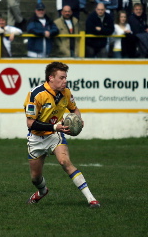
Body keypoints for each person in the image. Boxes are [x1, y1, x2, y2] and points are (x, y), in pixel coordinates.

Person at [23, 61, 100, 208]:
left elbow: (74, 109)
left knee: (65, 162)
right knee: (35, 178)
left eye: (66, 78)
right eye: (62, 78)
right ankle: (42, 191)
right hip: (36, 138)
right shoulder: (36, 95)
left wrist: (78, 119)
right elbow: (30, 124)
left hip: (55, 136)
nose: (65, 81)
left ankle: (91, 199)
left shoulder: (66, 93)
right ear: (51, 78)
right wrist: (55, 126)